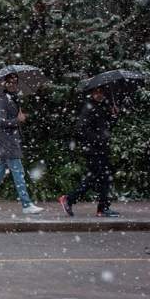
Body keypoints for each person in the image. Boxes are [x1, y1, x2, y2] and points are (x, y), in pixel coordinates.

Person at [0, 73, 44, 214]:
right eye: (10, 82)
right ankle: (27, 204)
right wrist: (17, 120)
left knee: (0, 173)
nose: (13, 84)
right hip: (7, 143)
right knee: (18, 172)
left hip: (10, 142)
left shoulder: (13, 99)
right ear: (4, 84)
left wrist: (20, 118)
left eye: (15, 82)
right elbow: (0, 121)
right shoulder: (2, 100)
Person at [59, 87, 120, 217]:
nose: (99, 94)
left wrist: (114, 116)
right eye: (96, 92)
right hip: (93, 150)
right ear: (92, 93)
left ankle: (102, 208)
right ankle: (69, 199)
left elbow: (106, 128)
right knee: (95, 177)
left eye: (101, 92)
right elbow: (80, 129)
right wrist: (98, 139)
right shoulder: (89, 108)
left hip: (101, 149)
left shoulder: (101, 107)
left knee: (104, 178)